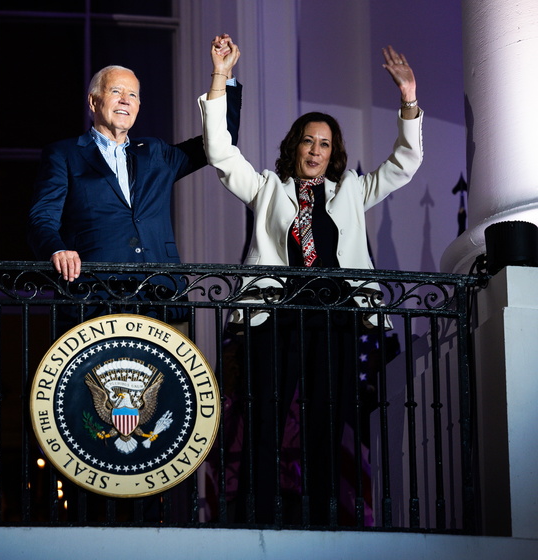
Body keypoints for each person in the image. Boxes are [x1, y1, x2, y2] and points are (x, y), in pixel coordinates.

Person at [199, 38, 422, 525]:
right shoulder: (266, 188)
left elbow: (405, 164)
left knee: (325, 421)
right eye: (308, 141)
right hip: (274, 316)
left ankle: (324, 515)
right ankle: (256, 514)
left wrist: (408, 99)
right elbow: (218, 152)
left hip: (335, 317)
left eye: (324, 144)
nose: (316, 151)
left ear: (333, 152)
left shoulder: (352, 192)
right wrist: (220, 77)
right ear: (294, 146)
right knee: (264, 417)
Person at [27, 38, 242, 330]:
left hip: (162, 298)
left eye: (133, 95)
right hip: (93, 300)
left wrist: (222, 75)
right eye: (116, 91)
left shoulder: (155, 152)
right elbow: (42, 218)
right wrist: (57, 250)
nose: (125, 99)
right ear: (93, 101)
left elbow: (219, 141)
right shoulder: (64, 154)